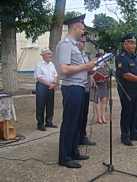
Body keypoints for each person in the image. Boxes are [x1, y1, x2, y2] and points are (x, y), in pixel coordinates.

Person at [56, 14, 97, 168]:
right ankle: (64, 157)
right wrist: (85, 67)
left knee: (77, 122)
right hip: (72, 87)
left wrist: (89, 69)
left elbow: (78, 68)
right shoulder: (65, 44)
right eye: (82, 28)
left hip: (80, 87)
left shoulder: (75, 46)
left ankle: (73, 151)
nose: (83, 32)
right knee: (69, 122)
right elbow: (64, 69)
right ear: (75, 27)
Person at [77, 33, 97, 146]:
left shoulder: (84, 55)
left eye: (85, 42)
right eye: (82, 41)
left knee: (84, 115)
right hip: (79, 87)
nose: (84, 43)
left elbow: (87, 72)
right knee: (78, 116)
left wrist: (93, 81)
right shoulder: (76, 55)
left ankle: (82, 136)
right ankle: (78, 138)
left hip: (86, 88)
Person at [34, 47, 58, 131]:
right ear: (43, 55)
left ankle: (49, 121)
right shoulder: (39, 65)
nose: (50, 55)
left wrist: (54, 83)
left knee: (50, 104)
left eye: (50, 54)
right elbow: (39, 77)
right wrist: (48, 84)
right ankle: (40, 124)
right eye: (48, 54)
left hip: (51, 86)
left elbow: (55, 75)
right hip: (42, 86)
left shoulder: (52, 64)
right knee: (41, 105)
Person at [95, 53, 109, 124]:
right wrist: (97, 81)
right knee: (97, 100)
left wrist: (106, 78)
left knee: (104, 100)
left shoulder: (105, 66)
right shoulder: (95, 66)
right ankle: (99, 116)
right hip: (97, 84)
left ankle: (103, 116)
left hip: (104, 84)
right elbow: (91, 75)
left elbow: (107, 74)